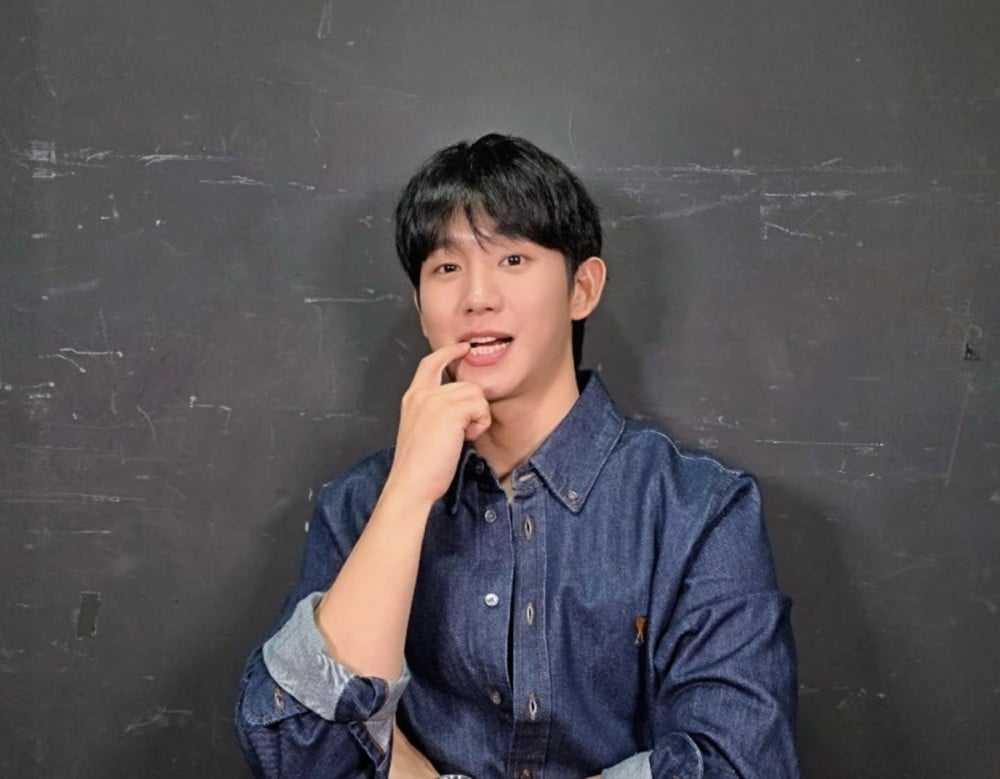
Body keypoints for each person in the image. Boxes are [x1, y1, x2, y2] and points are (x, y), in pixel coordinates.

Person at [234, 133, 799, 778]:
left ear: (582, 287)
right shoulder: (362, 504)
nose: (477, 297)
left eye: (512, 259)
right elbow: (294, 752)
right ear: (421, 306)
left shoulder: (697, 509)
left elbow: (741, 762)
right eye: (447, 268)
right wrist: (409, 494)